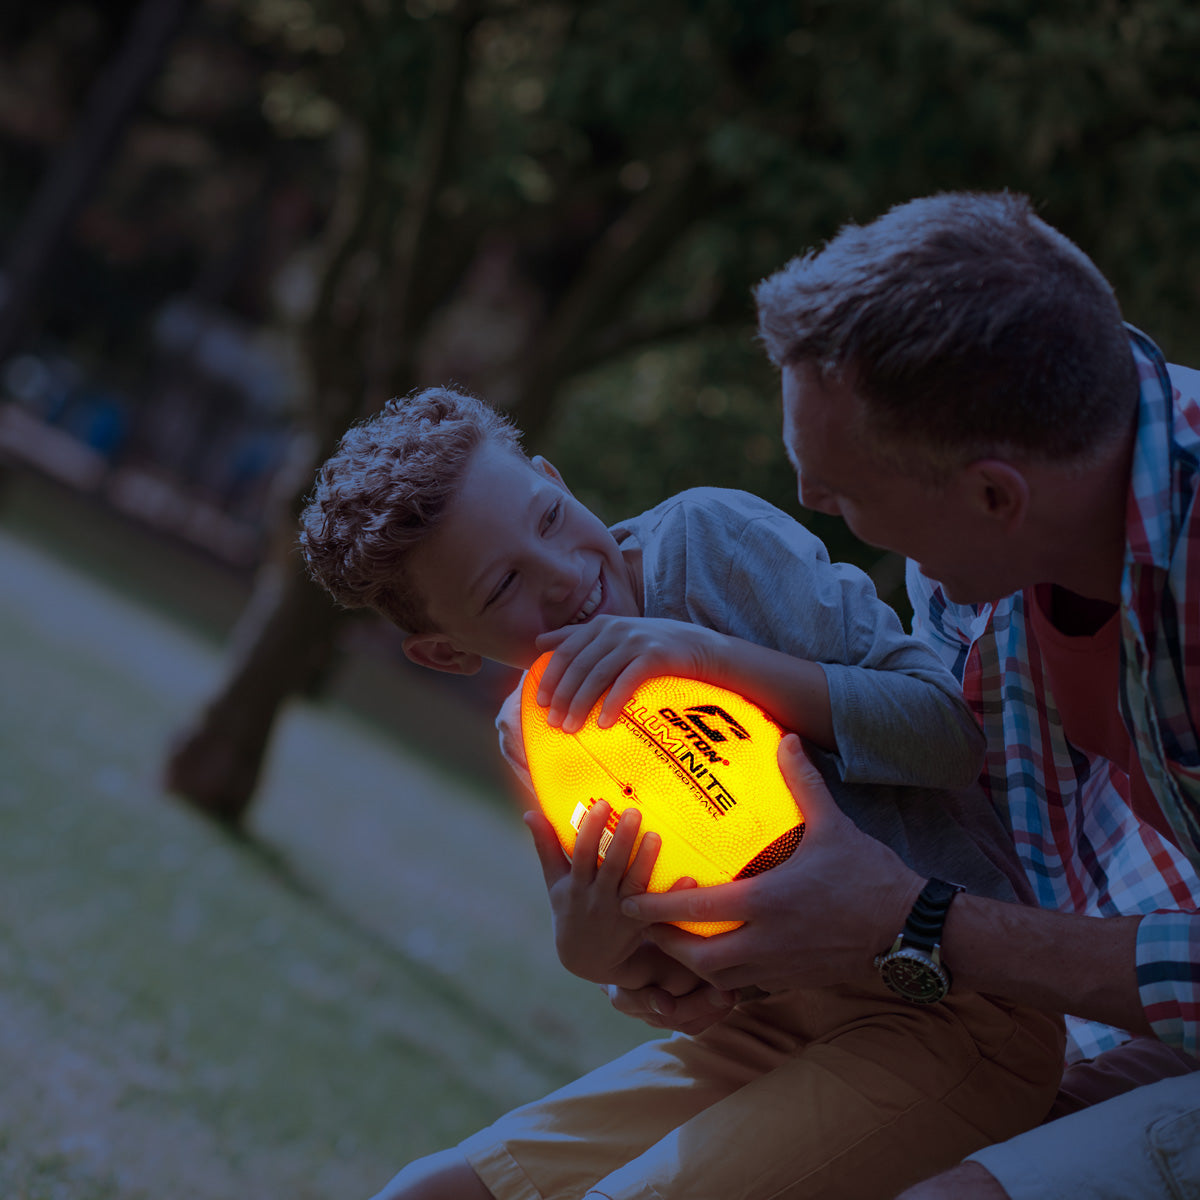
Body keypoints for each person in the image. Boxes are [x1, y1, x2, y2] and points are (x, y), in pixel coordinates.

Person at [298, 386, 1064, 1200]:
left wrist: (707, 659)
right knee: (430, 1192)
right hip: (777, 1028)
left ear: (554, 478)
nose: (562, 577)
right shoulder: (537, 732)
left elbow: (948, 734)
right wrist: (601, 952)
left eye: (549, 519)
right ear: (447, 654)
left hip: (956, 1009)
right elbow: (663, 973)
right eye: (500, 589)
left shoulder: (709, 548)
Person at [617, 191, 1200, 1198]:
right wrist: (761, 925)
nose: (812, 508)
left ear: (992, 495)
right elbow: (949, 842)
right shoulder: (982, 561)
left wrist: (915, 923)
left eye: (842, 494)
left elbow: (921, 912)